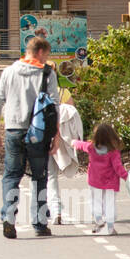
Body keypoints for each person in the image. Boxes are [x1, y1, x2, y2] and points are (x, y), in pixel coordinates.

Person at [0, 36, 61, 238]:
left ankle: (9, 218)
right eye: (46, 55)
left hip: (13, 130)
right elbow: (54, 107)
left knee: (12, 175)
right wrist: (56, 136)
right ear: (39, 52)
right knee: (39, 177)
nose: (46, 59)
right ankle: (39, 223)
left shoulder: (9, 72)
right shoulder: (47, 74)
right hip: (38, 133)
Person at [73, 123, 129, 235]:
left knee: (95, 202)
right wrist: (127, 177)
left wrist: (73, 142)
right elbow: (118, 167)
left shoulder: (91, 147)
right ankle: (110, 227)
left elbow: (81, 144)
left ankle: (98, 220)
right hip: (110, 182)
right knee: (110, 204)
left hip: (95, 181)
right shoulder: (113, 152)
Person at [46, 88, 84, 224]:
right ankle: (55, 209)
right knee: (52, 176)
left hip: (43, 136)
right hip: (62, 139)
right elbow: (73, 117)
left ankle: (53, 208)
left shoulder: (36, 88)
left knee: (48, 176)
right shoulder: (63, 92)